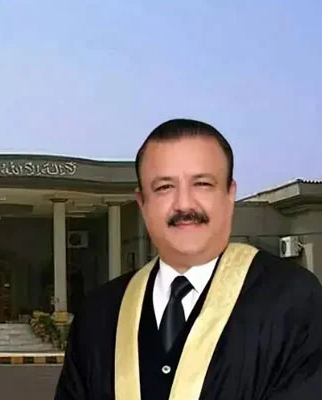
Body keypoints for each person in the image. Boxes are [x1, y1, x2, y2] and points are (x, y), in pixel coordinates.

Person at [54, 118, 322, 399]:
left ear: (230, 194)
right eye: (164, 187)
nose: (184, 204)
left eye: (202, 184)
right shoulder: (100, 313)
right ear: (142, 203)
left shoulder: (292, 300)